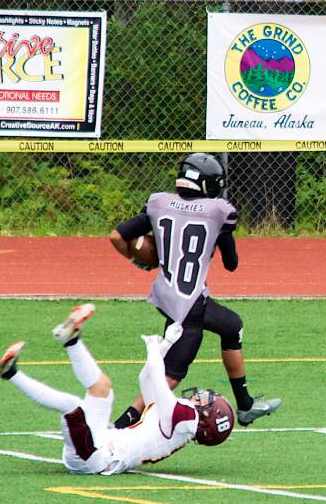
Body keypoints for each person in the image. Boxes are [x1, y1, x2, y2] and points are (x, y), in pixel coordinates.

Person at [108, 152, 281, 429]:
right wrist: (221, 239)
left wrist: (138, 258)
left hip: (169, 295)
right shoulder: (218, 211)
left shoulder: (158, 202)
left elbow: (117, 236)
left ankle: (246, 405)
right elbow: (232, 264)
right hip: (189, 304)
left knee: (232, 326)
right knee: (171, 376)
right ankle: (119, 427)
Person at [0, 303, 236, 475]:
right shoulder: (182, 421)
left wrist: (153, 349)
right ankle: (71, 340)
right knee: (102, 389)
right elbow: (147, 380)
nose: (203, 397)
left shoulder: (185, 418)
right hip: (100, 444)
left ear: (206, 419)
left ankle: (10, 372)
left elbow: (159, 383)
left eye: (208, 402)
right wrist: (166, 344)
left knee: (73, 407)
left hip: (96, 457)